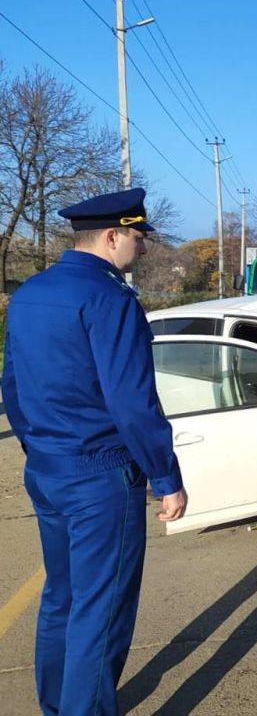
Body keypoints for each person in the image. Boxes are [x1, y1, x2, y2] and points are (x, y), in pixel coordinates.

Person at [1, 188, 187, 715]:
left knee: (61, 597)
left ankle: (57, 706)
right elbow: (132, 403)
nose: (142, 250)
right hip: (100, 477)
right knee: (99, 610)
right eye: (137, 238)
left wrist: (39, 447)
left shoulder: (30, 293)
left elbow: (12, 386)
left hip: (47, 467)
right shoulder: (110, 299)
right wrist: (165, 476)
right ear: (111, 237)